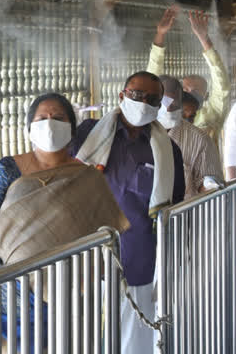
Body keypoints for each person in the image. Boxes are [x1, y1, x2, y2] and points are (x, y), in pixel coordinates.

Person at [0, 93, 128, 347]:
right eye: (42, 118)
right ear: (30, 128)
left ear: (72, 128)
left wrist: (89, 283)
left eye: (58, 118)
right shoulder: (6, 171)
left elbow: (104, 237)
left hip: (75, 299)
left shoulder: (87, 178)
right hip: (15, 301)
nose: (50, 123)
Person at [71, 71, 186, 354]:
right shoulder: (89, 134)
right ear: (122, 96)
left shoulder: (167, 151)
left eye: (152, 99)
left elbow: (174, 203)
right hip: (88, 260)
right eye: (136, 95)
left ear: (159, 107)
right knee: (85, 335)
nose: (142, 102)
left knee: (135, 340)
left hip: (138, 259)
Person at [148, 6, 230, 145]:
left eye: (194, 90)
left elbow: (221, 82)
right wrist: (160, 34)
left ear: (205, 96)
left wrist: (204, 39)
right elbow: (151, 82)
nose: (187, 93)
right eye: (184, 89)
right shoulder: (164, 114)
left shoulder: (211, 116)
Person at [157, 75, 223, 198]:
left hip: (183, 213)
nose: (169, 108)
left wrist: (210, 185)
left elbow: (208, 185)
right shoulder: (136, 134)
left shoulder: (200, 140)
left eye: (174, 103)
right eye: (164, 102)